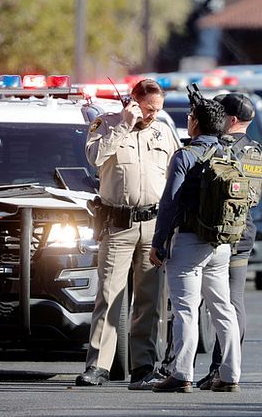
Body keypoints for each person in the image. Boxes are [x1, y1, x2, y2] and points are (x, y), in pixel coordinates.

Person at [77, 79, 180, 389]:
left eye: (158, 110)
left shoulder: (163, 131)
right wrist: (124, 126)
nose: (153, 116)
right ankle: (98, 366)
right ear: (133, 102)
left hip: (153, 224)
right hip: (117, 224)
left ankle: (143, 364)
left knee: (149, 299)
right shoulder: (105, 125)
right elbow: (94, 158)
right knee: (108, 295)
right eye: (148, 109)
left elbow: (177, 172)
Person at [149, 98, 241, 393]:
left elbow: (169, 203)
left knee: (185, 310)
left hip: (189, 242)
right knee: (222, 309)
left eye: (190, 116)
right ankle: (230, 375)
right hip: (221, 243)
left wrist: (159, 243)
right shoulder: (230, 154)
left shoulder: (185, 156)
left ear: (195, 122)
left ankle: (182, 373)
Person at [191, 93, 262, 390]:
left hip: (213, 233)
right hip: (242, 231)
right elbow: (254, 196)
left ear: (232, 120)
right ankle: (226, 368)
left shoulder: (218, 148)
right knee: (233, 302)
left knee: (198, 303)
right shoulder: (255, 151)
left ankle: (214, 369)